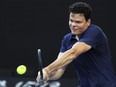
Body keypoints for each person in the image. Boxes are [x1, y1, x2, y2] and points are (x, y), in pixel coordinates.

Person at [36, 2, 116, 87]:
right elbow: (59, 71)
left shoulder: (94, 32)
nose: (73, 25)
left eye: (78, 22)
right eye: (71, 20)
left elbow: (73, 53)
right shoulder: (67, 39)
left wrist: (47, 70)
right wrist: (45, 76)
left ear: (88, 22)